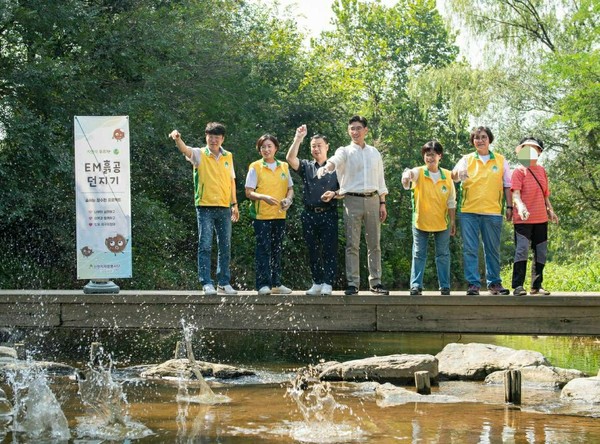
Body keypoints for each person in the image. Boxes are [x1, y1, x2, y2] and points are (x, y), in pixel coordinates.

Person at [317, 115, 389, 295]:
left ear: (365, 130)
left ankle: (376, 282)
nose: (355, 132)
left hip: (373, 199)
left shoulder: (374, 152)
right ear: (348, 131)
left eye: (358, 128)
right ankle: (353, 283)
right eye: (352, 129)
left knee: (374, 243)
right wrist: (326, 168)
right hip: (352, 200)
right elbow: (334, 161)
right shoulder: (345, 150)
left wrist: (382, 202)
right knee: (352, 244)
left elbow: (380, 179)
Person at [169, 122, 239, 295]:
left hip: (224, 207)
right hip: (205, 206)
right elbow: (185, 150)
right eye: (210, 136)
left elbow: (231, 181)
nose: (213, 140)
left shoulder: (228, 156)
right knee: (205, 245)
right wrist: (178, 139)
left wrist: (234, 204)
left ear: (222, 138)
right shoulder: (200, 153)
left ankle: (223, 282)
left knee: (225, 245)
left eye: (217, 137)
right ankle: (206, 282)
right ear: (206, 137)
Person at [451, 126, 512, 296]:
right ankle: (473, 284)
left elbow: (508, 185)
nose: (480, 140)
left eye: (483, 137)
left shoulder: (501, 160)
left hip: (493, 212)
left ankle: (494, 284)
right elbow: (453, 177)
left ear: (489, 139)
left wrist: (510, 206)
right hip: (468, 211)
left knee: (492, 249)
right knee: (470, 248)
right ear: (473, 141)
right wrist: (458, 172)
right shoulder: (466, 159)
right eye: (476, 138)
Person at [286, 124, 340, 296]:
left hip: (329, 213)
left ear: (327, 147)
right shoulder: (307, 166)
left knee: (329, 249)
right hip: (309, 213)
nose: (316, 149)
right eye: (313, 146)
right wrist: (298, 138)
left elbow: (346, 189)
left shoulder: (336, 168)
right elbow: (290, 158)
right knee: (312, 249)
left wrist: (335, 194)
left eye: (319, 146)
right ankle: (317, 281)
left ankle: (328, 283)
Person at [402, 140, 456, 295]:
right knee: (418, 253)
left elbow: (452, 201)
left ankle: (444, 286)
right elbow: (410, 175)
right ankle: (416, 285)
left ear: (440, 156)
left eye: (432, 155)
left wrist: (453, 221)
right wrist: (406, 176)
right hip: (421, 221)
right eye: (427, 155)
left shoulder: (447, 175)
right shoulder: (419, 172)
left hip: (442, 222)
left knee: (443, 254)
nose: (429, 158)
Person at [245, 134, 294, 295]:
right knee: (263, 250)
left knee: (277, 249)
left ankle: (276, 283)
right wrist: (263, 197)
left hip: (279, 215)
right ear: (259, 150)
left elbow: (290, 189)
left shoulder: (284, 167)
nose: (266, 150)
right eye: (263, 147)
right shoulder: (255, 166)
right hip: (261, 216)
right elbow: (249, 192)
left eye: (269, 146)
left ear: (276, 148)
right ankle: (262, 285)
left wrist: (288, 200)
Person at [511, 137, 559, 296]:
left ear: (539, 152)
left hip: (541, 219)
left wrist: (551, 210)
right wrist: (521, 207)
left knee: (541, 252)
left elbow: (545, 195)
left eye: (534, 148)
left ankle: (536, 286)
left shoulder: (542, 171)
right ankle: (518, 286)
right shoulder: (518, 171)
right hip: (523, 220)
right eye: (526, 148)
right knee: (522, 250)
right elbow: (516, 195)